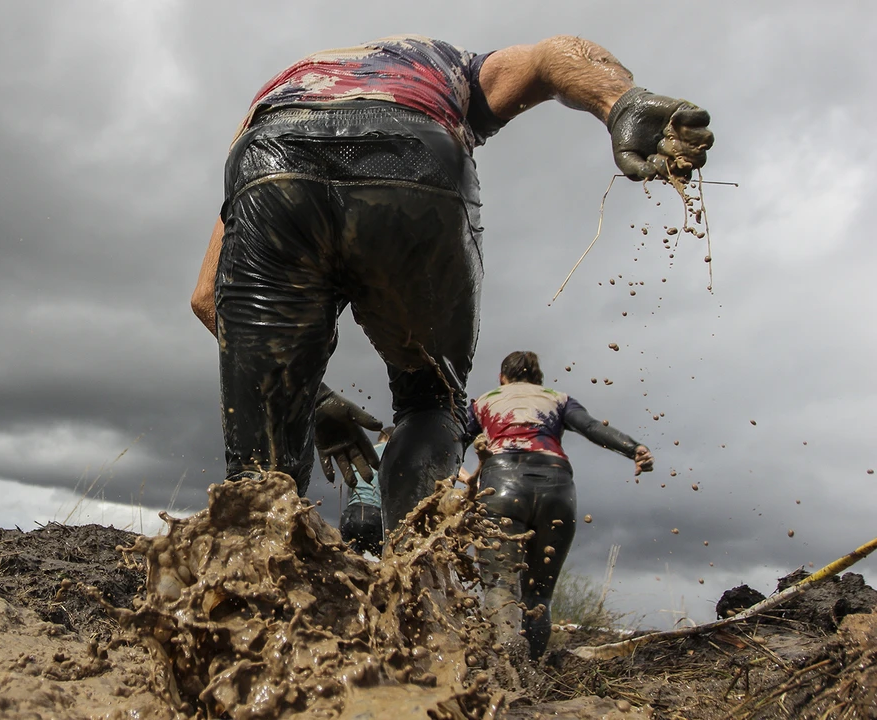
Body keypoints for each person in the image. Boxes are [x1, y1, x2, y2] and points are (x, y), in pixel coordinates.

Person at [189, 35, 710, 537]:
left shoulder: (277, 95)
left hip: (270, 159)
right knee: (430, 400)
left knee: (264, 467)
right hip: (412, 151)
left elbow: (209, 300)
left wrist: (315, 400)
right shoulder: (442, 61)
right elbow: (555, 55)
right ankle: (410, 579)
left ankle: (252, 586)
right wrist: (621, 102)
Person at [467, 351, 653, 660]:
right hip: (557, 488)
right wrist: (634, 448)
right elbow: (591, 427)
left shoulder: (484, 401)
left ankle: (507, 668)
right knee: (539, 594)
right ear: (538, 378)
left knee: (500, 585)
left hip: (500, 483)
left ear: (502, 378)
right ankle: (535, 672)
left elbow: (453, 437)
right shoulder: (558, 398)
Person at [340, 425, 394, 556]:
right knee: (391, 566)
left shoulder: (362, 455)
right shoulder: (392, 453)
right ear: (392, 439)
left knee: (347, 565)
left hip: (349, 516)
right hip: (373, 516)